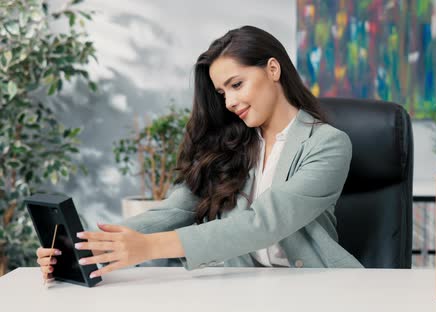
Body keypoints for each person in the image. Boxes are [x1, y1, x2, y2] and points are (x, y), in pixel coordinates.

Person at [36, 25, 363, 282]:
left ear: (273, 69)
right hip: (244, 285)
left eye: (237, 84)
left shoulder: (327, 143)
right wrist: (90, 247)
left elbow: (265, 223)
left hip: (314, 284)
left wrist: (150, 246)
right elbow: (174, 209)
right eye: (222, 93)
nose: (229, 102)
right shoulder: (232, 144)